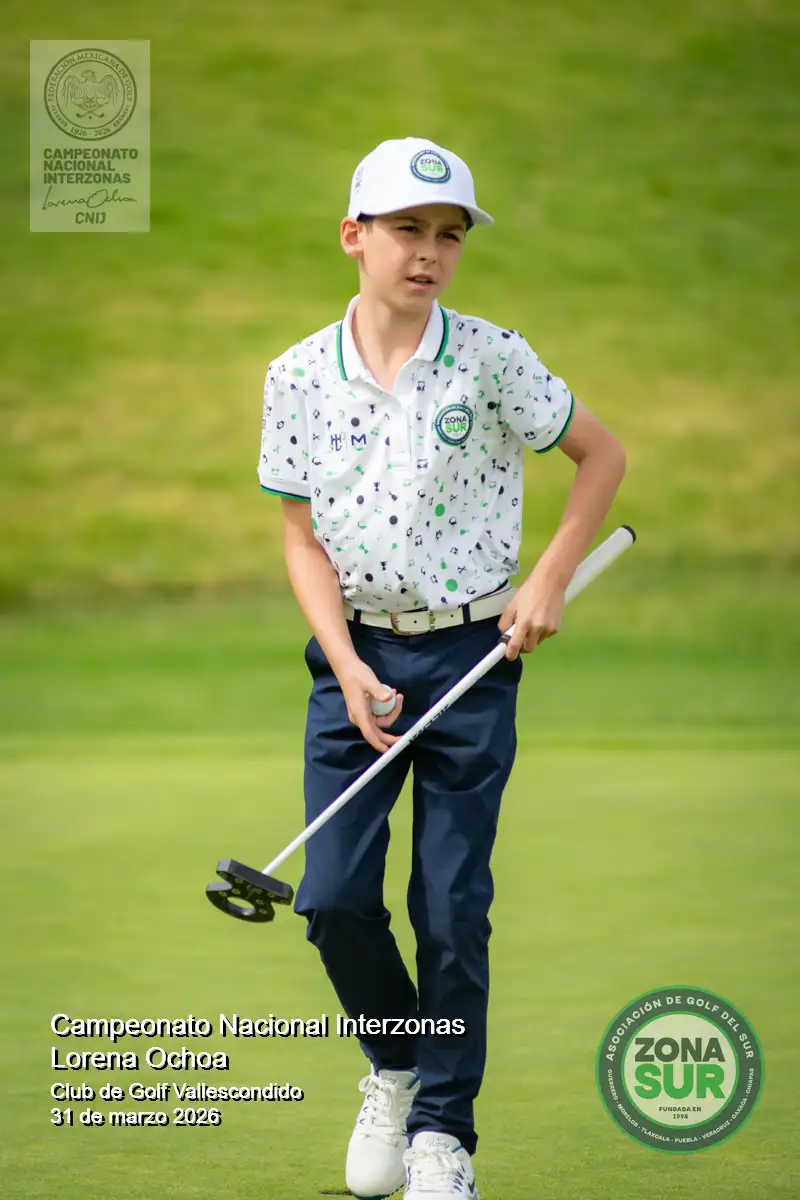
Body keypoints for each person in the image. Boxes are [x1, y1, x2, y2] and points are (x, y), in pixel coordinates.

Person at [258, 137, 626, 1199]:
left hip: (474, 651)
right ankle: (399, 1062)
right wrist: (343, 661)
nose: (428, 253)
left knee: (450, 908)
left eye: (449, 235)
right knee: (332, 898)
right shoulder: (295, 375)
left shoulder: (493, 359)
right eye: (407, 230)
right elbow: (300, 538)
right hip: (354, 659)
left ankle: (442, 1138)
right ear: (354, 236)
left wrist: (548, 578)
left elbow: (601, 456)